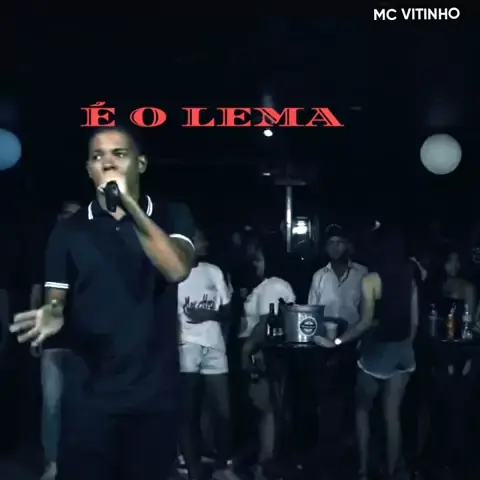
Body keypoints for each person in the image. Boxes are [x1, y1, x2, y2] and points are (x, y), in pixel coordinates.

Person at [10, 125, 196, 480]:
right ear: (89, 169)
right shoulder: (69, 230)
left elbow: (175, 269)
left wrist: (128, 205)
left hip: (153, 398)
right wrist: (53, 313)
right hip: (89, 399)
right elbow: (56, 299)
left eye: (119, 154)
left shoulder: (173, 214)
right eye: (98, 157)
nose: (107, 163)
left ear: (141, 164)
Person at [332, 226, 418, 479]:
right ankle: (391, 472)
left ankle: (362, 471)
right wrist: (405, 345)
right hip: (404, 353)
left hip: (376, 353)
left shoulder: (370, 280)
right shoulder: (409, 275)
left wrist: (337, 341)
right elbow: (414, 322)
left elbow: (364, 323)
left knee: (362, 410)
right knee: (392, 416)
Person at [177, 229, 239, 480]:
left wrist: (209, 315)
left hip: (214, 346)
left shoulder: (213, 271)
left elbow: (228, 311)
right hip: (186, 346)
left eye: (204, 238)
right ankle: (191, 466)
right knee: (188, 411)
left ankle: (223, 465)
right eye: (199, 239)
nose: (205, 243)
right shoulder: (175, 273)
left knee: (223, 410)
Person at [30, 201, 81, 480]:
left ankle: (79, 462)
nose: (71, 219)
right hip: (52, 341)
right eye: (66, 214)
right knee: (52, 405)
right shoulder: (50, 252)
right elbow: (37, 293)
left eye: (76, 214)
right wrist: (35, 335)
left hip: (83, 342)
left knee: (81, 404)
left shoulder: (89, 251)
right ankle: (52, 462)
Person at [240, 239, 295, 479]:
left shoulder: (273, 285)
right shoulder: (267, 285)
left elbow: (266, 324)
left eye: (259, 259)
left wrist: (248, 349)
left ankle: (267, 463)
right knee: (265, 409)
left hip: (264, 353)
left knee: (268, 409)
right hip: (262, 352)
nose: (255, 264)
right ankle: (265, 461)